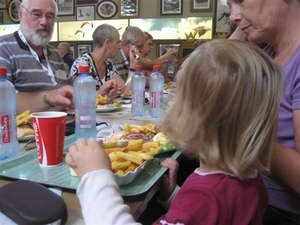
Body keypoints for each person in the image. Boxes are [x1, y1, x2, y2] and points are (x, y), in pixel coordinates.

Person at [66, 39, 283, 224]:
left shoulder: (203, 199)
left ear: (194, 120)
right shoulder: (251, 184)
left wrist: (96, 177)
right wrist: (174, 197)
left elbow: (201, 211)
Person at [228, 0, 300, 223]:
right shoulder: (269, 54)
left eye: (240, 1)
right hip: (252, 193)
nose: (233, 16)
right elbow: (216, 65)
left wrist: (234, 130)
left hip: (280, 212)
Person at [0, 0, 74, 114]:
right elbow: (4, 101)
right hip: (27, 130)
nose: (44, 22)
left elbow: (71, 91)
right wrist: (48, 99)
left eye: (50, 16)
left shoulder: (54, 53)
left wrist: (99, 92)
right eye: (36, 14)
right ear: (20, 14)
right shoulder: (3, 48)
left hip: (64, 124)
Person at [69, 24, 126, 98]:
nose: (120, 46)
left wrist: (133, 63)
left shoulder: (109, 65)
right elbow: (78, 98)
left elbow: (125, 89)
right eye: (117, 42)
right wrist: (100, 92)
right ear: (107, 43)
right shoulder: (83, 63)